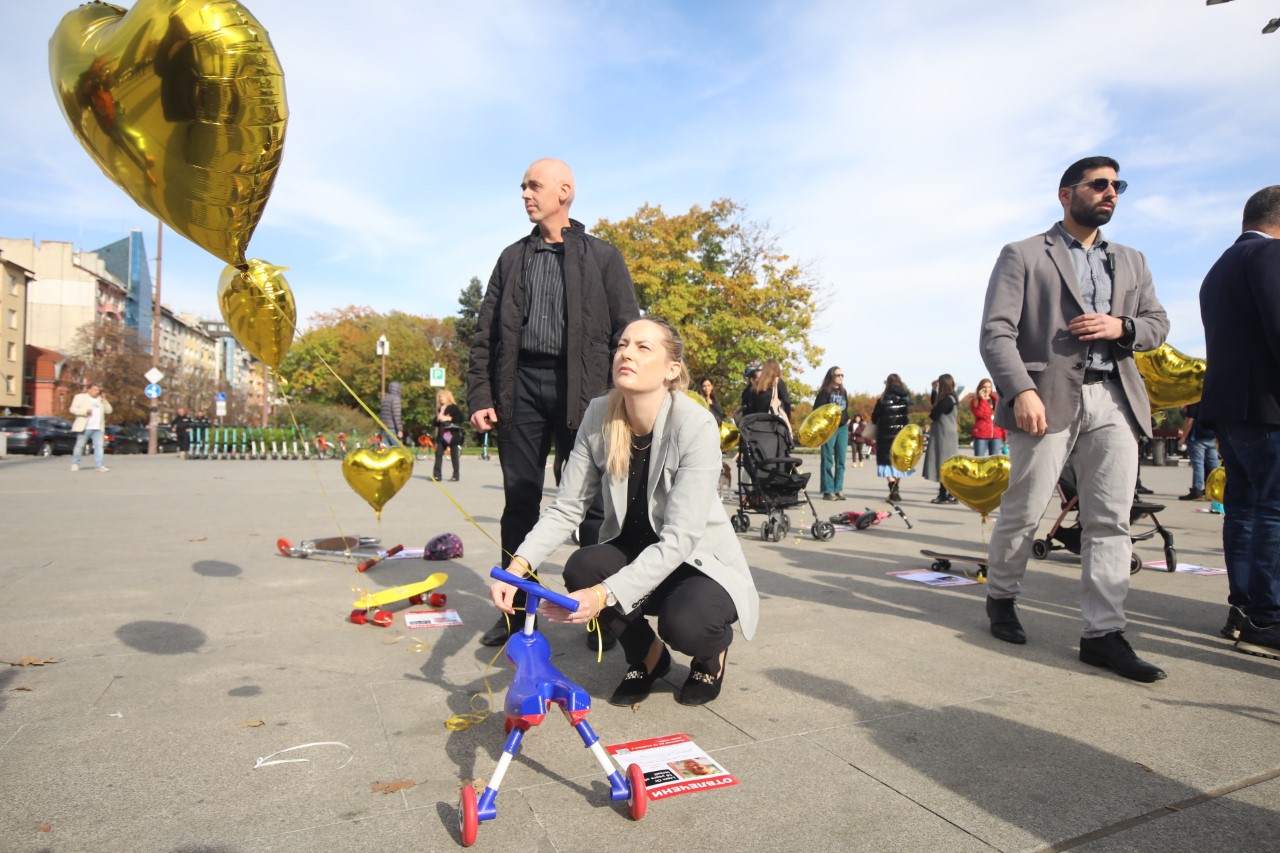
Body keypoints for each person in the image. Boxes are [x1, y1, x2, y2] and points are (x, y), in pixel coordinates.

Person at [488, 318, 758, 706]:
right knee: (581, 568)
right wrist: (516, 569)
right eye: (622, 345)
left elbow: (680, 539)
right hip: (637, 552)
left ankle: (710, 654)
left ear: (672, 370)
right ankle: (648, 655)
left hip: (697, 562)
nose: (626, 353)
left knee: (685, 625)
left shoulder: (695, 424)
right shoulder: (599, 415)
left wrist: (602, 596)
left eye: (643, 347)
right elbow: (567, 508)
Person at [979, 155, 1170, 682]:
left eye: (1118, 186)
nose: (1111, 193)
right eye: (1100, 184)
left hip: (1115, 398)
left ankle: (1103, 634)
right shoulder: (1022, 254)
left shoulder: (1131, 260)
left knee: (1110, 519)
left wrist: (1120, 325)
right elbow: (996, 333)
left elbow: (1157, 325)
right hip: (1046, 400)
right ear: (1066, 194)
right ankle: (1001, 598)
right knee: (1024, 508)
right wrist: (1021, 390)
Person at [467, 157, 640, 648]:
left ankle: (595, 612)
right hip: (517, 389)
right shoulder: (511, 258)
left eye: (534, 185)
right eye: (523, 186)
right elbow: (485, 335)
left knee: (588, 503)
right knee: (519, 498)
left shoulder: (603, 257)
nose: (525, 193)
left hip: (583, 393)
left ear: (564, 192)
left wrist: (622, 398)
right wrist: (481, 394)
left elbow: (627, 331)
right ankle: (514, 613)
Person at [1198, 184, 1280, 658]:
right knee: (1270, 511)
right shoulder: (1269, 257)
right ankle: (1267, 615)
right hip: (1268, 408)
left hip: (1232, 409)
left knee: (1245, 510)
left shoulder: (1220, 267)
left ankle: (1244, 608)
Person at [871, 374, 912, 503]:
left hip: (885, 435)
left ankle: (892, 488)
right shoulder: (905, 399)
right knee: (898, 462)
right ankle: (896, 488)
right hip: (901, 435)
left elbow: (874, 418)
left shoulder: (882, 399)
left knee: (887, 462)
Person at [813, 366, 850, 500]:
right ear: (831, 376)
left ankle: (838, 488)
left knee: (841, 460)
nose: (840, 377)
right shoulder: (825, 391)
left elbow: (846, 408)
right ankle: (828, 490)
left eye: (842, 375)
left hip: (842, 428)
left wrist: (847, 419)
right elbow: (817, 410)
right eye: (838, 375)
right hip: (829, 429)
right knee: (828, 459)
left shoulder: (843, 391)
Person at [922, 374, 959, 503]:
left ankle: (946, 494)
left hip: (944, 435)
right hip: (947, 434)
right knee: (945, 465)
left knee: (943, 464)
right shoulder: (951, 398)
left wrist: (935, 394)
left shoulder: (947, 400)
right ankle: (947, 494)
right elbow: (936, 405)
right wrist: (933, 391)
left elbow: (934, 413)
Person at [1176, 402, 1218, 501]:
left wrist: (1183, 437)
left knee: (1198, 466)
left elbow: (1190, 419)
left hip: (1197, 438)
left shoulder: (1194, 400)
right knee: (1214, 466)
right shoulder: (1212, 398)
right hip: (1212, 436)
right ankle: (1215, 490)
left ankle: (1197, 490)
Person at [69, 384, 113, 472]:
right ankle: (75, 463)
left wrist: (104, 401)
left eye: (98, 390)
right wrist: (84, 411)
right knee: (80, 445)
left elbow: (109, 411)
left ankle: (99, 465)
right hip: (85, 426)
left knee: (99, 446)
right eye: (95, 389)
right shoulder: (80, 397)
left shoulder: (100, 400)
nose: (97, 391)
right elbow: (72, 409)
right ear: (88, 390)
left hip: (98, 428)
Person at [432, 389, 464, 482]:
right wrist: (438, 418)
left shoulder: (453, 407)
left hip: (452, 434)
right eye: (440, 397)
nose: (441, 398)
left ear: (448, 397)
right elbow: (435, 423)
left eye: (443, 396)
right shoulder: (439, 408)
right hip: (442, 435)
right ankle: (437, 475)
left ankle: (455, 475)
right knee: (438, 454)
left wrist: (448, 418)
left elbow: (461, 418)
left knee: (454, 455)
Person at [968, 379, 1002, 456]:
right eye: (985, 387)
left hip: (996, 435)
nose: (987, 389)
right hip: (981, 435)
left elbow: (1001, 416)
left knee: (993, 462)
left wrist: (1003, 434)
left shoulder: (996, 399)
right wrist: (983, 400)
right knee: (979, 460)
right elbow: (979, 414)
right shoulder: (975, 401)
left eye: (989, 387)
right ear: (980, 388)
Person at [379, 381, 404, 447]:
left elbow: (382, 415)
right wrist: (400, 430)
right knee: (398, 450)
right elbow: (396, 416)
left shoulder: (384, 399)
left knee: (387, 452)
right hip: (392, 429)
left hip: (384, 428)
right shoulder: (396, 399)